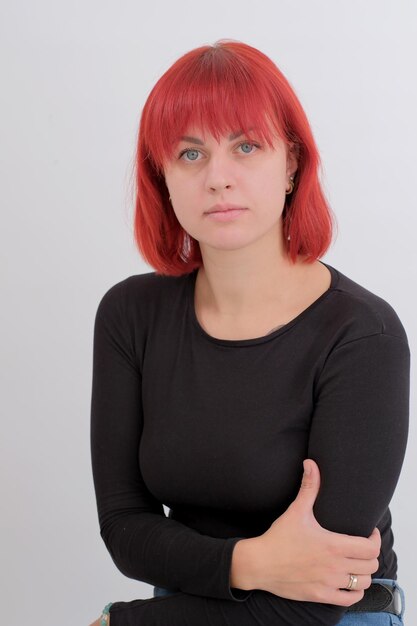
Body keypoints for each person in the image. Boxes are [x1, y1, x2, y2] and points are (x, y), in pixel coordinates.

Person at [88, 39, 410, 626]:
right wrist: (253, 562)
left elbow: (318, 594)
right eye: (190, 154)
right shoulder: (129, 315)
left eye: (245, 146)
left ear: (291, 164)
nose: (218, 178)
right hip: (190, 606)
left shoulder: (364, 334)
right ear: (160, 175)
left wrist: (123, 622)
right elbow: (124, 528)